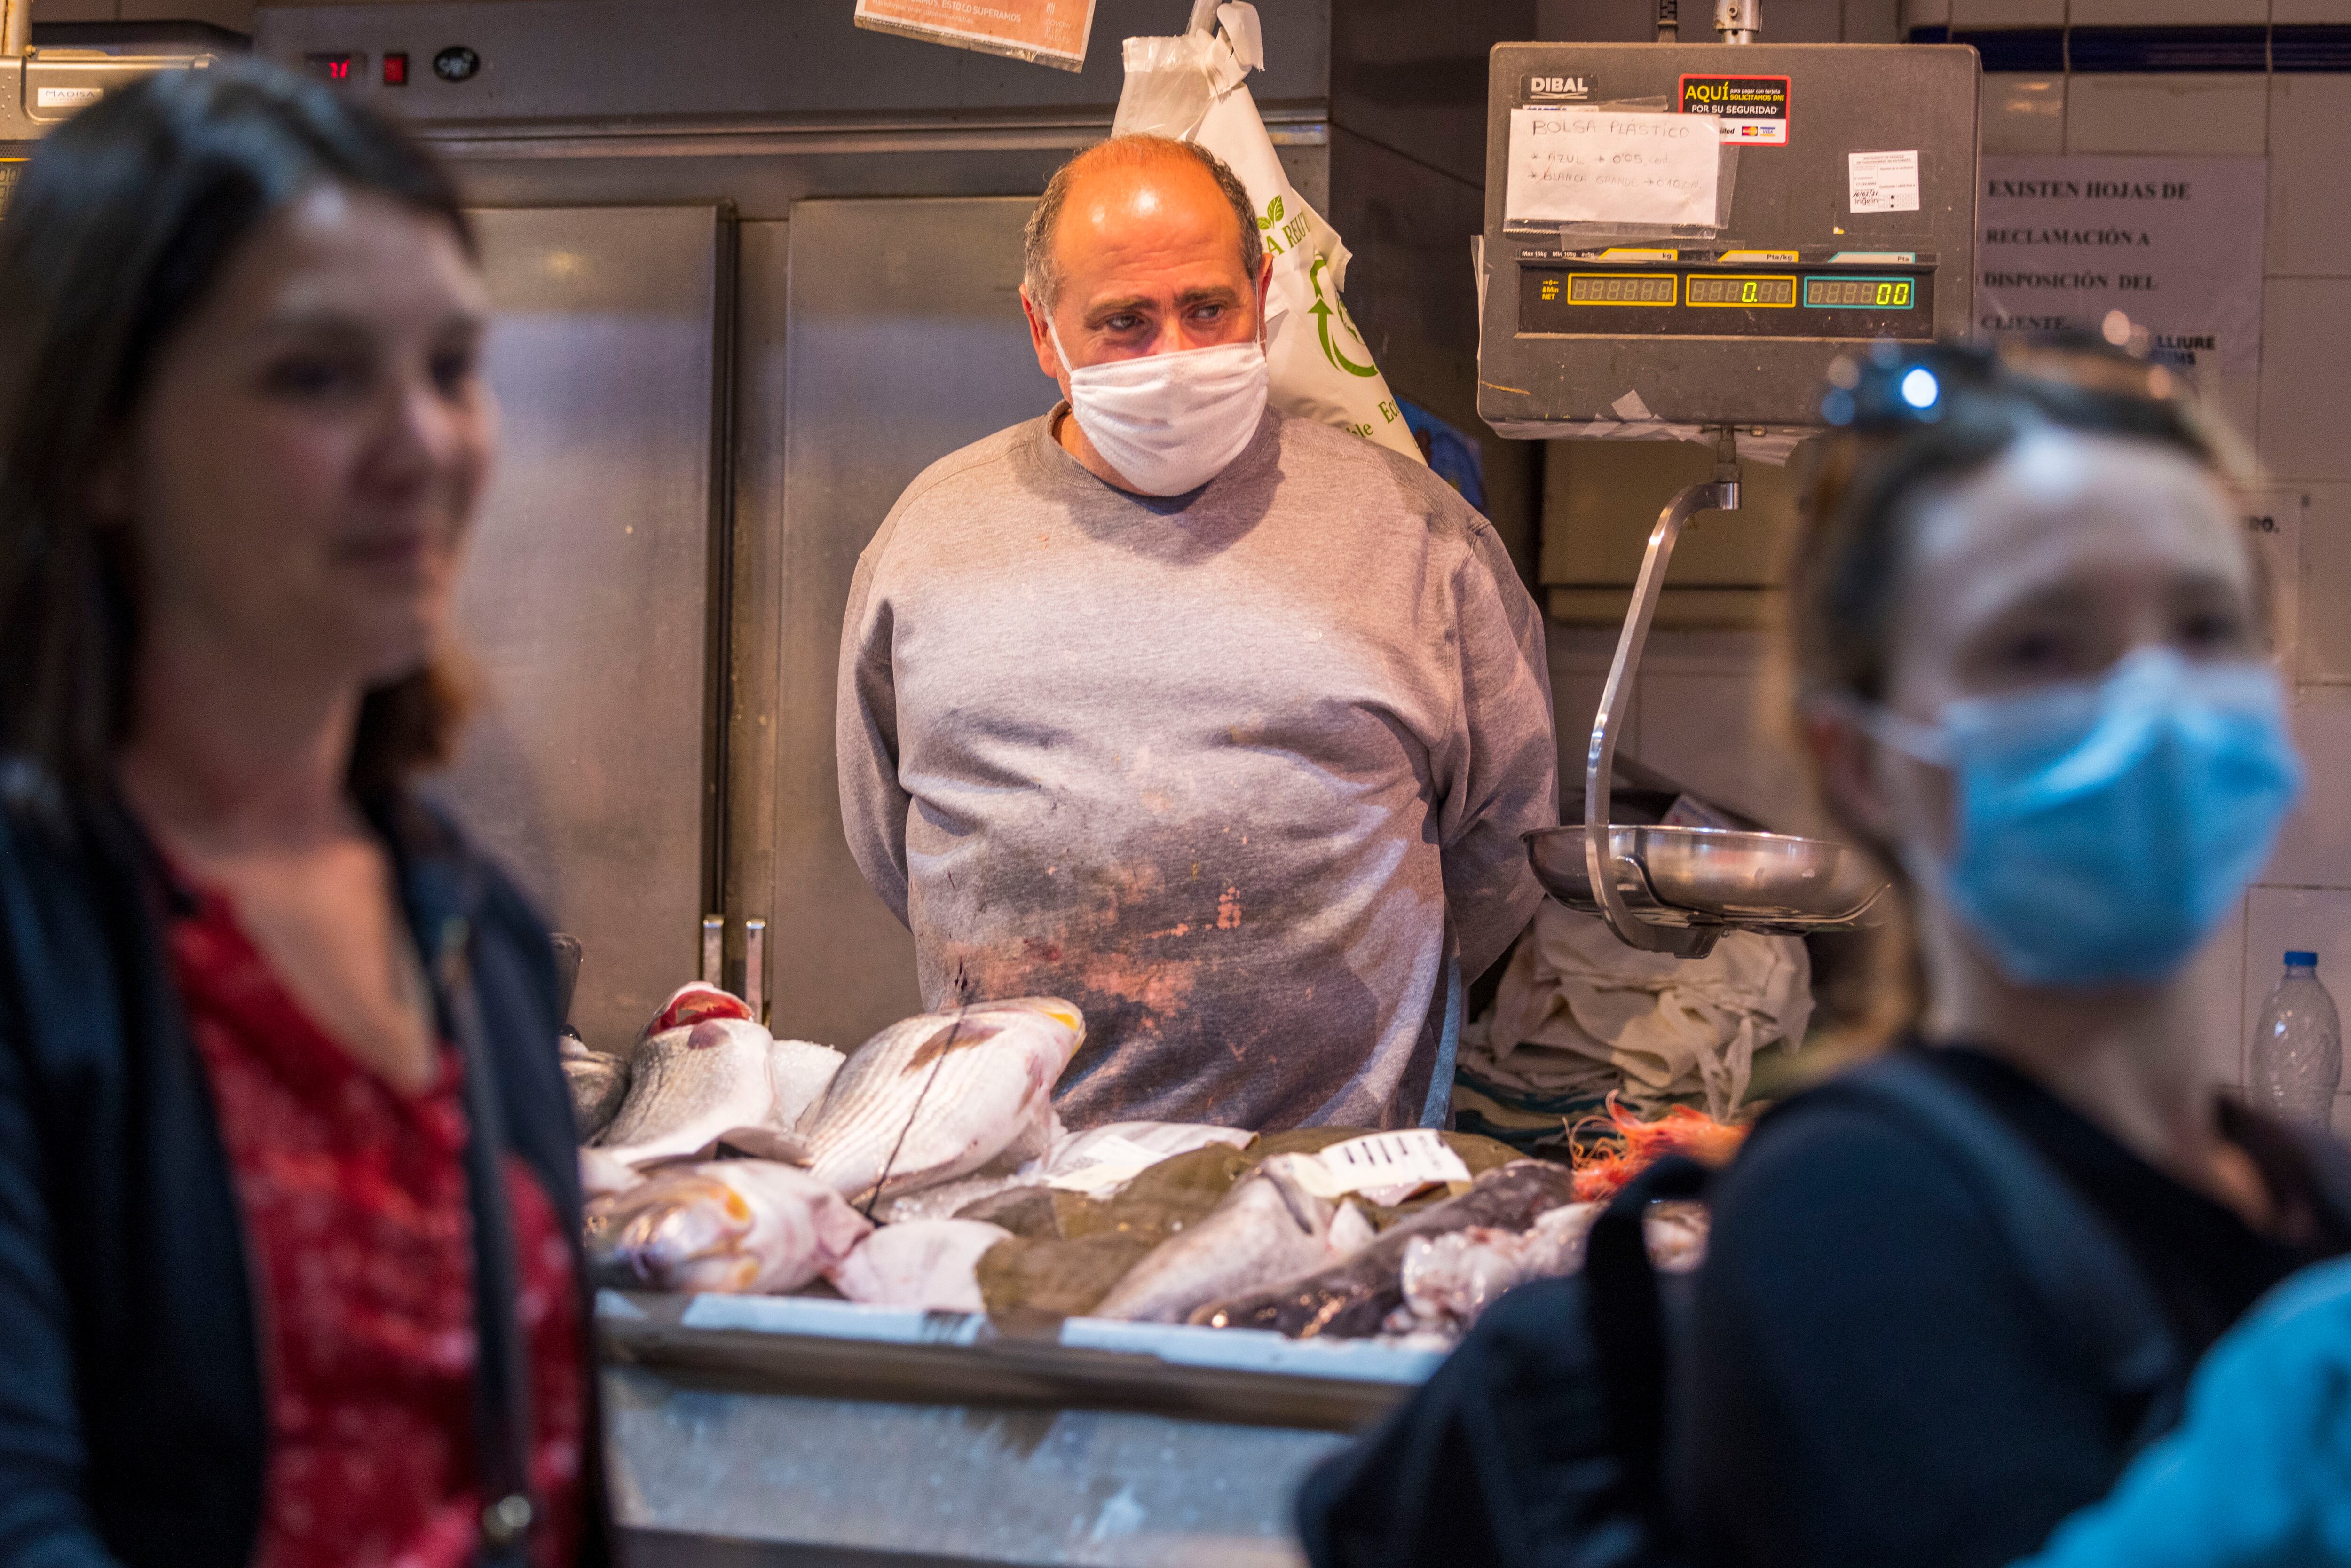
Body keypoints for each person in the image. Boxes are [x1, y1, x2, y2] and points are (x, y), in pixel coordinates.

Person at [0, 63, 602, 1568]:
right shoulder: (30, 922)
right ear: (97, 441)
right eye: (318, 377)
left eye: (452, 369)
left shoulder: (473, 926)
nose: (426, 446)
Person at [1675, 340, 2351, 1568]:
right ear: (1863, 762)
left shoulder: (2311, 1188)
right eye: (2041, 648)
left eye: (2205, 626)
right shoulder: (1851, 1219)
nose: (2151, 706)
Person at [836, 134, 1556, 1131]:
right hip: (1010, 1163)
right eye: (1124, 323)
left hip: (1329, 1172)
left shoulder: (1417, 531)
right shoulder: (931, 535)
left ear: (1263, 293)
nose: (1173, 356)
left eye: (1206, 309)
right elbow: (890, 839)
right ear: (1043, 333)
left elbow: (1506, 842)